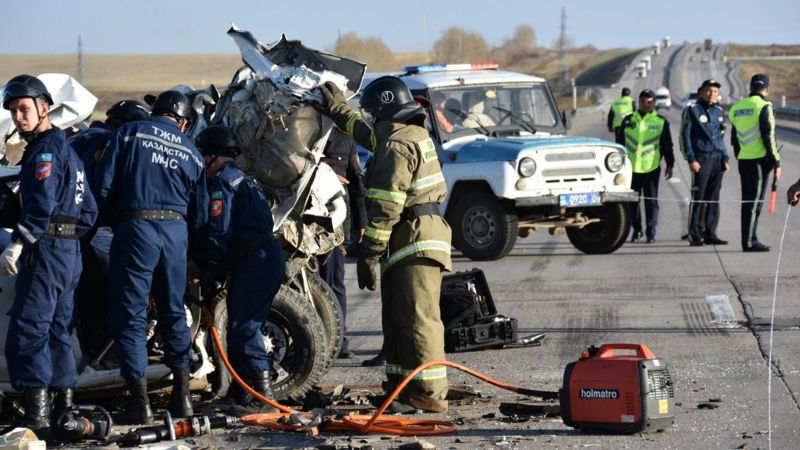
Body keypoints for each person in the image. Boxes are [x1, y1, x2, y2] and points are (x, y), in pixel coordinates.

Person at [319, 77, 451, 413]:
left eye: (372, 114)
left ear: (383, 111)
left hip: (414, 235)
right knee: (398, 318)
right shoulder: (404, 134)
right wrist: (337, 110)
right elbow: (363, 131)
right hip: (413, 235)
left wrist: (369, 254)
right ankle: (402, 388)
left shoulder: (396, 145)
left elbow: (385, 206)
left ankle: (429, 394)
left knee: (418, 318)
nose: (370, 120)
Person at [96, 90, 208, 424]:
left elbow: (103, 188)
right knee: (174, 312)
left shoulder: (128, 134)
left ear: (154, 111)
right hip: (175, 234)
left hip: (136, 228)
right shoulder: (193, 152)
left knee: (130, 315)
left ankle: (140, 404)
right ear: (184, 122)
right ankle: (183, 399)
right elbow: (200, 215)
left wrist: (110, 223)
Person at [1, 74, 98, 438]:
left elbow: (39, 205)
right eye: (12, 111)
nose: (18, 117)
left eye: (24, 109)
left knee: (29, 329)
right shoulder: (69, 151)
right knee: (59, 331)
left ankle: (37, 417)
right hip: (69, 251)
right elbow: (88, 211)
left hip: (45, 250)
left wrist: (20, 241)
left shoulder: (44, 151)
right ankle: (65, 411)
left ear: (44, 107)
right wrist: (68, 240)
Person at [191, 125, 284, 415]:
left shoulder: (222, 183)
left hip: (255, 259)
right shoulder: (243, 179)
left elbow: (218, 231)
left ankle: (262, 394)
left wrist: (207, 269)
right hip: (261, 257)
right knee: (238, 325)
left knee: (245, 327)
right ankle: (241, 392)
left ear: (213, 156)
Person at [317, 128, 367, 359]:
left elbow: (357, 183)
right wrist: (323, 173)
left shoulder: (344, 139)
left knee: (334, 283)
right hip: (302, 224)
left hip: (334, 225)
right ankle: (315, 339)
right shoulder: (299, 135)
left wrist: (361, 221)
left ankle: (338, 339)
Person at [729, 74, 781, 252]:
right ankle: (749, 241)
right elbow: (769, 136)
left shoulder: (736, 108)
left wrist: (740, 155)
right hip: (759, 162)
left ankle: (750, 238)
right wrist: (776, 161)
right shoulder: (764, 106)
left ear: (750, 88)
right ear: (766, 89)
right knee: (754, 203)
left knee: (748, 202)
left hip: (744, 160)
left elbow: (734, 139)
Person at [615, 89, 674, 243]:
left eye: (650, 102)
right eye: (643, 101)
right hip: (631, 169)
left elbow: (667, 145)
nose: (646, 104)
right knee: (632, 203)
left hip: (651, 168)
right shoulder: (628, 120)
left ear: (654, 103)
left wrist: (670, 164)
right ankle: (637, 230)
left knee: (651, 202)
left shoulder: (661, 121)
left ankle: (651, 232)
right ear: (638, 102)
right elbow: (619, 144)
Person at [682, 79, 729, 246]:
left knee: (714, 198)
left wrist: (725, 158)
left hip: (717, 160)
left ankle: (710, 232)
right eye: (709, 91)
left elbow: (721, 137)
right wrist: (691, 158)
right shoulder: (692, 110)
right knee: (699, 198)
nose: (712, 94)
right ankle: (694, 234)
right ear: (701, 92)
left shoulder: (718, 111)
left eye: (715, 92)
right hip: (701, 160)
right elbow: (685, 136)